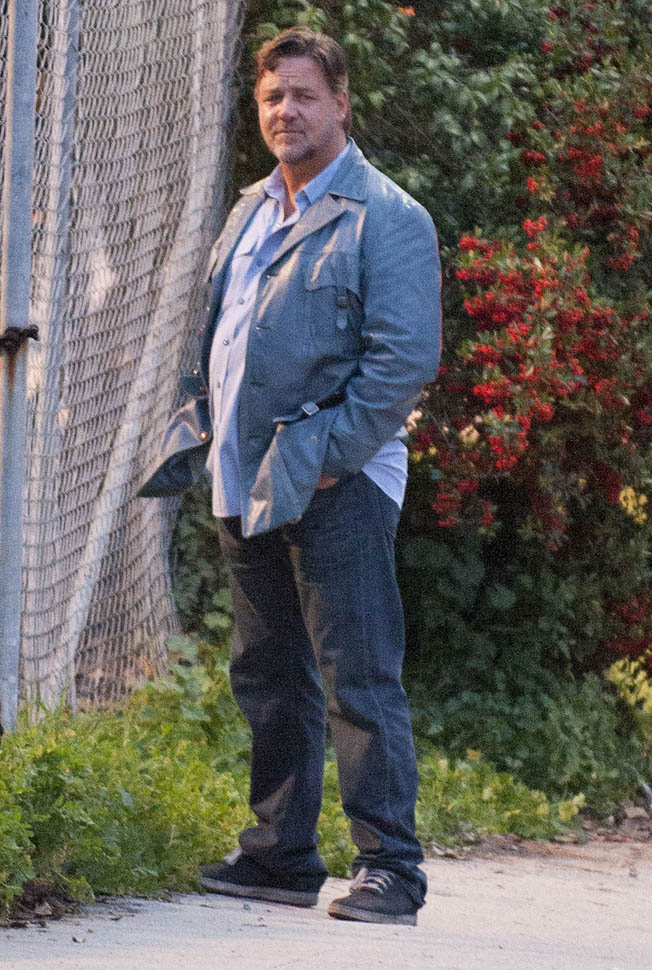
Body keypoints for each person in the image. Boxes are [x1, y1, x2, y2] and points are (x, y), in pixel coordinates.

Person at [142, 26, 441, 926]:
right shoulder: (250, 208)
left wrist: (328, 460)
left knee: (358, 675)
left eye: (305, 95)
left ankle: (390, 867)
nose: (287, 111)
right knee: (267, 669)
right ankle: (280, 856)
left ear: (340, 103)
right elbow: (221, 331)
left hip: (335, 483)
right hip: (245, 473)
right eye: (273, 97)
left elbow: (402, 361)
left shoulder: (387, 216)